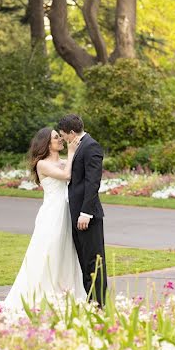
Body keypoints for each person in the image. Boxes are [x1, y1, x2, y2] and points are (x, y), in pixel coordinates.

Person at [4, 127, 86, 310]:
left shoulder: (64, 161)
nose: (60, 140)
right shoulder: (42, 164)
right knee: (50, 251)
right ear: (46, 144)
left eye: (59, 136)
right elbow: (66, 175)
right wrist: (72, 152)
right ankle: (43, 295)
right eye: (56, 137)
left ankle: (67, 294)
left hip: (67, 211)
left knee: (67, 252)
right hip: (52, 214)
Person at [57, 113, 107, 306]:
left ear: (71, 132)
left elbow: (93, 183)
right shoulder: (78, 147)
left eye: (63, 135)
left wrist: (86, 212)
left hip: (87, 216)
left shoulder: (91, 146)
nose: (63, 139)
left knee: (94, 261)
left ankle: (99, 304)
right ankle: (91, 301)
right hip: (77, 214)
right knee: (85, 261)